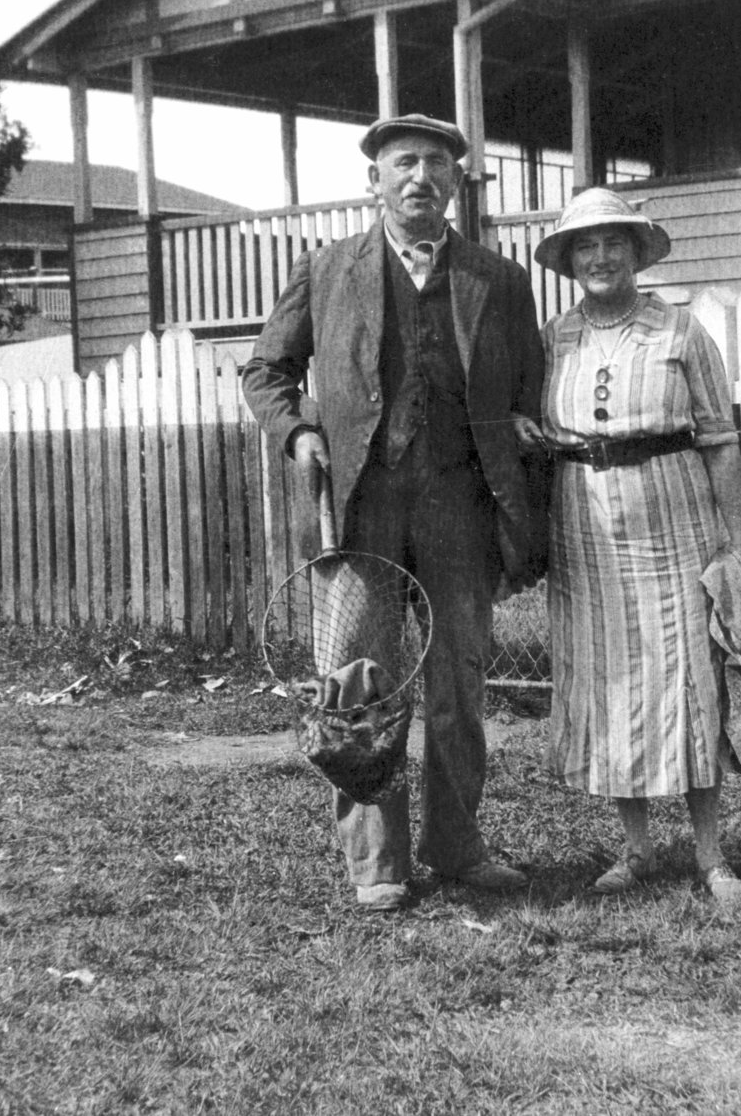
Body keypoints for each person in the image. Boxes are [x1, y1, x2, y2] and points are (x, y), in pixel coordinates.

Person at [242, 113, 545, 912]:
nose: (420, 176)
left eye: (436, 164)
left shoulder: (499, 280)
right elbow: (266, 370)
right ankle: (377, 861)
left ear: (455, 183)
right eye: (403, 162)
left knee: (458, 682)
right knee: (358, 682)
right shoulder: (327, 269)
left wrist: (520, 433)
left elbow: (530, 390)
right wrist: (301, 429)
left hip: (461, 506)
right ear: (372, 180)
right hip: (362, 506)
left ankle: (457, 845)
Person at [520, 186, 741, 903]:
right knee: (611, 679)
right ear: (567, 259)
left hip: (676, 523)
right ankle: (637, 848)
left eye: (612, 242)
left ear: (635, 252)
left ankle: (713, 854)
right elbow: (530, 422)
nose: (600, 256)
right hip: (584, 531)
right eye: (584, 245)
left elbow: (719, 441)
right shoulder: (555, 337)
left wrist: (732, 543)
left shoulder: (681, 331)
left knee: (690, 679)